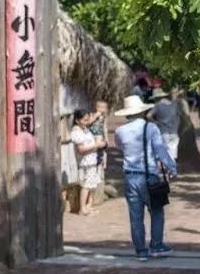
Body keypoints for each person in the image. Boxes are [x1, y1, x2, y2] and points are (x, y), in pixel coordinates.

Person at [114, 94, 178, 261]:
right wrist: (171, 167)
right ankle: (156, 246)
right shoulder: (151, 128)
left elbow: (121, 147)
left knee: (135, 216)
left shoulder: (120, 131)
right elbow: (160, 151)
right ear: (141, 111)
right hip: (150, 176)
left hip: (130, 176)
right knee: (156, 212)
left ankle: (141, 251)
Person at [70, 109, 107, 215]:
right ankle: (82, 209)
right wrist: (96, 145)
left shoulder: (84, 129)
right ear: (77, 120)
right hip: (86, 161)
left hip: (91, 160)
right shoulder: (76, 132)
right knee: (86, 186)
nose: (87, 122)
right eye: (84, 120)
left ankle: (87, 206)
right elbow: (81, 150)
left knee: (90, 184)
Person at [151, 88, 181, 161]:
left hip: (163, 132)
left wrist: (155, 122)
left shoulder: (158, 105)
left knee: (163, 154)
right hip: (174, 132)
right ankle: (172, 170)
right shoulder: (174, 104)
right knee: (172, 154)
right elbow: (179, 117)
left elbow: (148, 115)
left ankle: (164, 170)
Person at [89, 99, 110, 173]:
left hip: (100, 135)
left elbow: (105, 127)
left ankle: (101, 165)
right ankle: (94, 164)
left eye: (104, 108)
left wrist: (107, 138)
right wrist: (95, 116)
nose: (103, 109)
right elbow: (89, 122)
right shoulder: (92, 114)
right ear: (96, 107)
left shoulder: (104, 117)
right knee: (94, 150)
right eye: (101, 107)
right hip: (93, 135)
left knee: (102, 151)